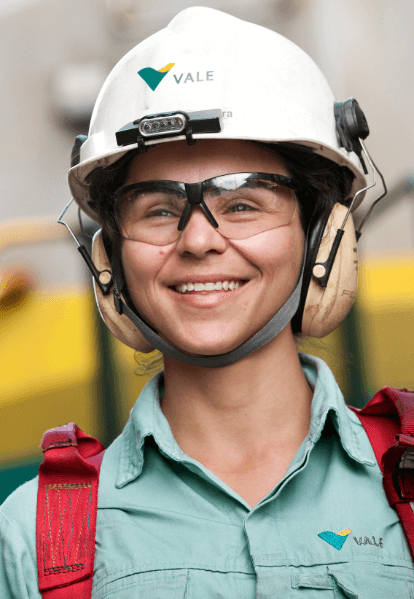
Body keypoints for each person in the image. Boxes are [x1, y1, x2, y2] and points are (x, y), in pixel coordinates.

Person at [1, 7, 413, 598]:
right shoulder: (29, 539)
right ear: (111, 263)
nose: (197, 240)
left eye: (243, 204)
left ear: (324, 236)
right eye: (159, 210)